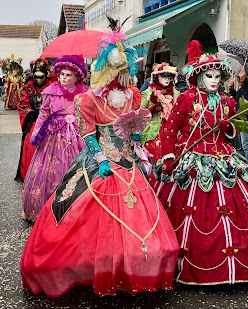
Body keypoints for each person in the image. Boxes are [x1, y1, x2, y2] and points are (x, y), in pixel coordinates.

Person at [20, 28, 179, 297]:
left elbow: (133, 132)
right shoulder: (88, 99)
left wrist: (137, 137)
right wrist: (100, 158)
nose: (120, 78)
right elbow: (88, 134)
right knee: (76, 213)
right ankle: (90, 265)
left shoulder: (135, 97)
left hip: (129, 165)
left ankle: (132, 265)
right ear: (105, 70)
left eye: (124, 72)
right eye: (115, 72)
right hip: (100, 163)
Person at [155, 40, 248, 286]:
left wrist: (228, 129)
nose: (214, 80)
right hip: (192, 157)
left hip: (224, 158)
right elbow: (170, 130)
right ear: (199, 76)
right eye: (209, 75)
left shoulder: (227, 102)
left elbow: (233, 135)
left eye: (218, 76)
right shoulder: (186, 99)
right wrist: (168, 155)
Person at [21, 55, 88, 222]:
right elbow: (43, 114)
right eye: (62, 74)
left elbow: (87, 116)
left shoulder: (84, 94)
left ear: (76, 77)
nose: (64, 77)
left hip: (76, 137)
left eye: (68, 75)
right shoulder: (51, 92)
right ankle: (45, 211)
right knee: (50, 171)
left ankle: (73, 211)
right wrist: (36, 133)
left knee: (76, 171)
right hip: (54, 137)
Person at [141, 62, 179, 184]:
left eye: (169, 76)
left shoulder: (176, 94)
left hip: (172, 133)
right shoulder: (147, 93)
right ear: (156, 77)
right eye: (164, 76)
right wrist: (153, 108)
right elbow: (139, 114)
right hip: (153, 133)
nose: (167, 79)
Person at [15, 58, 52, 182]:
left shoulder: (52, 88)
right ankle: (30, 173)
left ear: (46, 75)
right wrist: (31, 113)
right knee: (31, 144)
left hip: (49, 123)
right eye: (36, 76)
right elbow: (22, 105)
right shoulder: (27, 89)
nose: (38, 79)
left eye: (41, 76)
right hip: (33, 122)